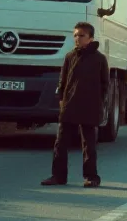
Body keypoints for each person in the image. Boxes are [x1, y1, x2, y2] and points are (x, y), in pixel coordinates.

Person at [42, 22, 109, 188]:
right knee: (61, 143)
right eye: (75, 35)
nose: (77, 39)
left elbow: (105, 84)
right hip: (69, 106)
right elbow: (62, 80)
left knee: (89, 145)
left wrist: (99, 104)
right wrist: (62, 100)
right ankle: (58, 176)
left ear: (91, 38)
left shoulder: (99, 59)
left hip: (90, 107)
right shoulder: (70, 56)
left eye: (81, 35)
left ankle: (91, 177)